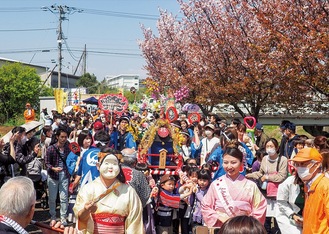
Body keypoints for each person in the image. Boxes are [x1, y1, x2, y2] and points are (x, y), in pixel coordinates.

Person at [73, 149, 144, 233]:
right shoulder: (87, 189)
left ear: (119, 166)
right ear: (98, 166)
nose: (110, 167)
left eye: (114, 164)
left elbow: (134, 223)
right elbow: (80, 219)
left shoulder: (129, 191)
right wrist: (85, 210)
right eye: (106, 163)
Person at [201, 141, 267, 228]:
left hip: (244, 229)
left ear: (241, 163)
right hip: (221, 227)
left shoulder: (251, 185)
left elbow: (260, 207)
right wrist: (219, 217)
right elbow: (206, 206)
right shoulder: (216, 184)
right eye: (225, 162)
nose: (229, 166)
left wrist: (246, 223)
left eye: (233, 162)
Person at [246, 138, 288, 234]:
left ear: (277, 148)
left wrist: (267, 177)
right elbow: (261, 173)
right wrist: (250, 175)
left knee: (279, 219)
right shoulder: (264, 159)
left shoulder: (283, 160)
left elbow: (281, 176)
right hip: (265, 193)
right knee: (266, 220)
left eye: (271, 146)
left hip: (278, 194)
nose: (269, 148)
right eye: (267, 146)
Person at [290, 147, 329, 234]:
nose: (299, 168)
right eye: (297, 164)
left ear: (316, 165)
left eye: (303, 164)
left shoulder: (325, 186)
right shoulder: (308, 185)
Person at [44, 127, 71, 225]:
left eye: (65, 137)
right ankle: (53, 216)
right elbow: (46, 162)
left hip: (64, 175)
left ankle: (63, 217)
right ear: (57, 137)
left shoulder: (68, 148)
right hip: (53, 176)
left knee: (64, 198)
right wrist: (53, 168)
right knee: (52, 198)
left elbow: (72, 160)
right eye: (62, 137)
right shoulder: (51, 148)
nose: (64, 139)